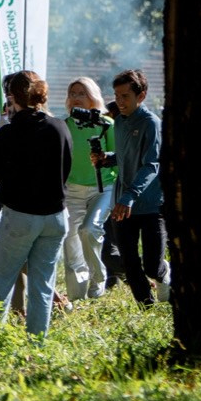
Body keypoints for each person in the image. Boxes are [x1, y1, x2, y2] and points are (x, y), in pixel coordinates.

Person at [0, 70, 71, 335]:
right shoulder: (60, 127)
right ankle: (37, 343)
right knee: (43, 285)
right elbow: (66, 169)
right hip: (56, 216)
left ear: (12, 97)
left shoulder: (6, 134)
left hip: (20, 216)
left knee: (1, 280)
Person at [111, 69, 168, 306]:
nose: (119, 101)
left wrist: (130, 195)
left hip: (151, 204)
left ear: (141, 96)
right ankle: (146, 306)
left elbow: (152, 164)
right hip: (123, 203)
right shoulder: (119, 122)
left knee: (152, 266)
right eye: (117, 96)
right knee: (129, 260)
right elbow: (125, 156)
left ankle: (164, 274)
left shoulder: (151, 123)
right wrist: (107, 159)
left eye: (125, 96)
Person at [62, 77, 116, 302]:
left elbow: (118, 158)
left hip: (102, 188)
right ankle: (77, 296)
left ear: (92, 97)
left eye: (81, 93)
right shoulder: (65, 124)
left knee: (89, 230)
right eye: (73, 93)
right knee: (71, 239)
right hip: (72, 189)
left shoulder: (106, 124)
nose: (76, 97)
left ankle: (98, 277)